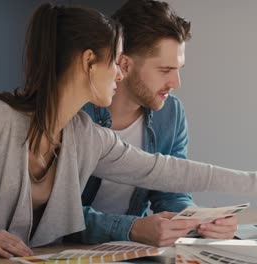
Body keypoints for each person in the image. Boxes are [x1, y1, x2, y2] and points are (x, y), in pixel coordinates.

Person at [0, 2, 257, 263]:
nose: (120, 72)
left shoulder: (83, 135)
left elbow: (167, 171)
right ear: (88, 61)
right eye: (114, 61)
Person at [75, 0, 236, 247]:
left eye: (179, 69)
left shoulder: (171, 113)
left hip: (131, 250)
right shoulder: (75, 114)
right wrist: (132, 228)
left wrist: (198, 221)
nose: (176, 83)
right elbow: (55, 215)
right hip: (67, 251)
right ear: (125, 65)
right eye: (165, 70)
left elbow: (172, 192)